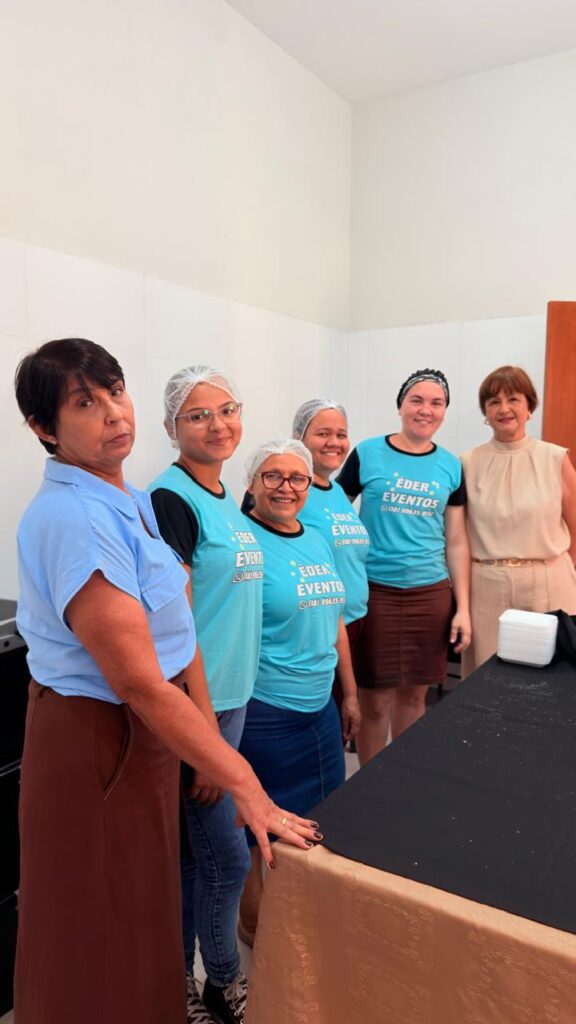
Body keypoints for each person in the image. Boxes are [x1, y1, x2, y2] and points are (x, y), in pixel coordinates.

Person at [13, 339, 318, 1024]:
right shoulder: (75, 517)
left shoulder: (131, 499)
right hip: (98, 739)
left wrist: (206, 727)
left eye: (115, 392)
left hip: (147, 734)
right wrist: (245, 782)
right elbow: (142, 684)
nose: (112, 413)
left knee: (145, 916)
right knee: (97, 929)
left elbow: (178, 630)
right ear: (44, 429)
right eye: (84, 403)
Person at [148, 365, 263, 1024]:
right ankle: (221, 984)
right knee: (225, 852)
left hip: (234, 694)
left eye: (227, 410)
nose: (217, 424)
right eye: (198, 414)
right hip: (203, 704)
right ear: (171, 428)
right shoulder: (172, 500)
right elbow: (175, 622)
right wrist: (201, 728)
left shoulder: (225, 495)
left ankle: (180, 981)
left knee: (198, 854)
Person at [238, 438, 361, 944]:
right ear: (251, 483)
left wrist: (348, 693)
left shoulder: (315, 537)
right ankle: (255, 925)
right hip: (266, 711)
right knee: (256, 831)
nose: (286, 487)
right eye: (273, 476)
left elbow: (334, 622)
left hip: (320, 708)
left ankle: (302, 916)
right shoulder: (241, 540)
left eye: (298, 478)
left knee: (320, 818)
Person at [337, 368, 471, 765]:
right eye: (416, 400)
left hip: (430, 594)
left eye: (436, 403)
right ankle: (369, 784)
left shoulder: (450, 465)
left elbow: (458, 540)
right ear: (400, 406)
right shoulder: (367, 453)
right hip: (374, 591)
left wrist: (461, 607)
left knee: (414, 696)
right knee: (374, 699)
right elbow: (335, 516)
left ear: (445, 412)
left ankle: (403, 779)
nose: (425, 410)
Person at [461, 364, 576, 675]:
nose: (504, 408)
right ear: (485, 411)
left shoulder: (555, 458)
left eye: (513, 399)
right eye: (494, 401)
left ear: (529, 407)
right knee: (486, 678)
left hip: (550, 582)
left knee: (550, 680)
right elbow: (458, 536)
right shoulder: (467, 463)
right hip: (486, 585)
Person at [291, 399, 370, 670]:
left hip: (355, 622)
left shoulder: (337, 491)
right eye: (323, 434)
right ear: (299, 438)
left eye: (341, 435)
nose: (334, 442)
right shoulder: (290, 490)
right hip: (319, 629)